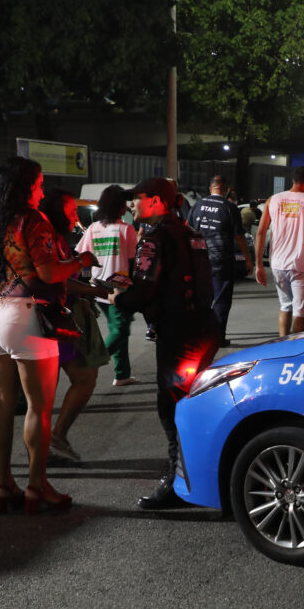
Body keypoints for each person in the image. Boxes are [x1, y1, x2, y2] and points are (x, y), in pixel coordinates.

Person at [0, 156, 97, 514]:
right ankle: (38, 485)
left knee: (2, 401)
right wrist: (80, 262)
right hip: (26, 314)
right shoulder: (31, 220)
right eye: (36, 185)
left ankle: (5, 484)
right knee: (38, 406)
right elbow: (49, 272)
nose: (40, 192)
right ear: (24, 187)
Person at [110, 177, 218, 509]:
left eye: (138, 199)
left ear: (157, 201)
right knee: (195, 403)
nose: (133, 205)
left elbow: (144, 290)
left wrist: (119, 297)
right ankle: (202, 476)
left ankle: (177, 483)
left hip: (179, 333)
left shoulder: (155, 238)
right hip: (204, 327)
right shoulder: (192, 233)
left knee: (173, 407)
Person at [38, 189, 110, 464]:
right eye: (69, 212)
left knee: (76, 380)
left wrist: (93, 291)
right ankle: (45, 449)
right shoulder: (44, 239)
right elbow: (54, 280)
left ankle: (50, 443)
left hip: (61, 315)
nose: (75, 217)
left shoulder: (57, 238)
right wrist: (92, 285)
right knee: (63, 385)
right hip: (53, 319)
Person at [77, 185, 139, 387]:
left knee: (116, 327)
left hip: (98, 286)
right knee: (120, 330)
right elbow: (132, 259)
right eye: (124, 204)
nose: (127, 207)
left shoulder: (94, 228)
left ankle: (122, 374)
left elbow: (82, 255)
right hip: (118, 288)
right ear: (118, 206)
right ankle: (91, 363)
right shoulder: (126, 229)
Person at [254, 166, 304, 336]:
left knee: (285, 306)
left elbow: (261, 232)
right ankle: (296, 352)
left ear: (293, 180)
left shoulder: (273, 200)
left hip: (278, 263)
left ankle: (282, 348)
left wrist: (258, 265)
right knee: (299, 312)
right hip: (300, 263)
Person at [188, 175, 252, 347]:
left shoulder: (198, 205)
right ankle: (217, 337)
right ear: (226, 189)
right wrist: (247, 258)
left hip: (199, 259)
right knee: (221, 298)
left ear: (211, 189)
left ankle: (198, 335)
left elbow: (188, 230)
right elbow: (239, 235)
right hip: (221, 259)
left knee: (201, 298)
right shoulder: (230, 207)